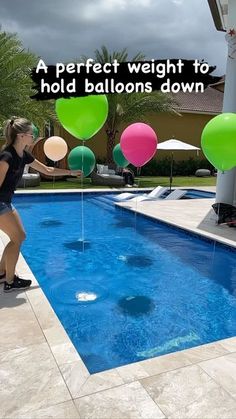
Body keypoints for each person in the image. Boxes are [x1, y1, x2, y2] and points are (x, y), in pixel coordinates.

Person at [0, 117, 81, 292]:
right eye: (31, 134)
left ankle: (2, 273)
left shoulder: (24, 155)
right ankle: (9, 281)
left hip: (6, 202)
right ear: (21, 136)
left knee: (18, 237)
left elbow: (47, 170)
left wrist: (71, 172)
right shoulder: (6, 156)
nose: (34, 136)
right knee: (18, 237)